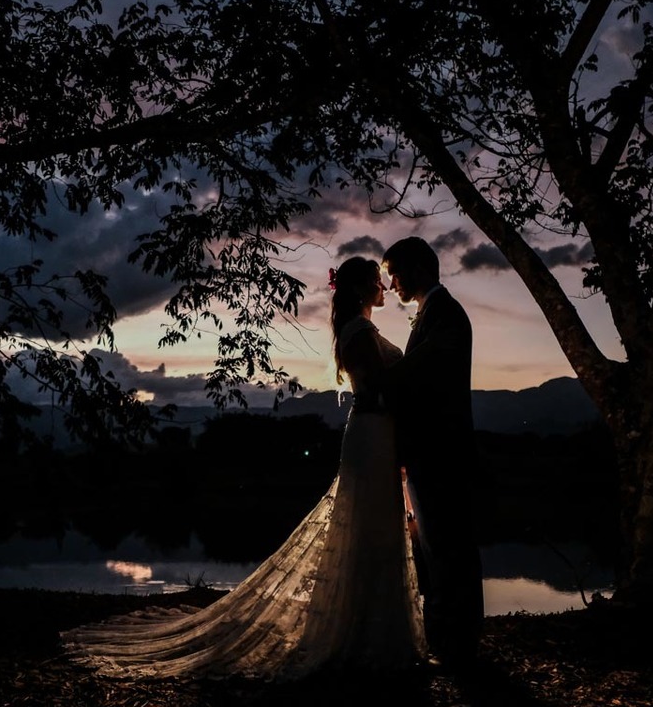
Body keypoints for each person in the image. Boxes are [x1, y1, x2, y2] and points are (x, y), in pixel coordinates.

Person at [60, 256, 426, 681]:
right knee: (368, 526)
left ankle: (370, 630)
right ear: (364, 289)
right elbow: (385, 388)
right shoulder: (359, 331)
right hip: (372, 434)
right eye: (378, 282)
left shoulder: (361, 329)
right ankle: (360, 637)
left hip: (376, 434)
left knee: (375, 528)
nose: (385, 288)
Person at [381, 236, 485, 670]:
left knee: (448, 545)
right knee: (436, 546)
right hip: (429, 450)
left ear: (419, 269)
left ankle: (457, 642)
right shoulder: (432, 313)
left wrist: (376, 369)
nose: (392, 286)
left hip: (442, 450)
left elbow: (421, 373)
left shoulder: (446, 314)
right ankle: (448, 638)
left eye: (396, 275)